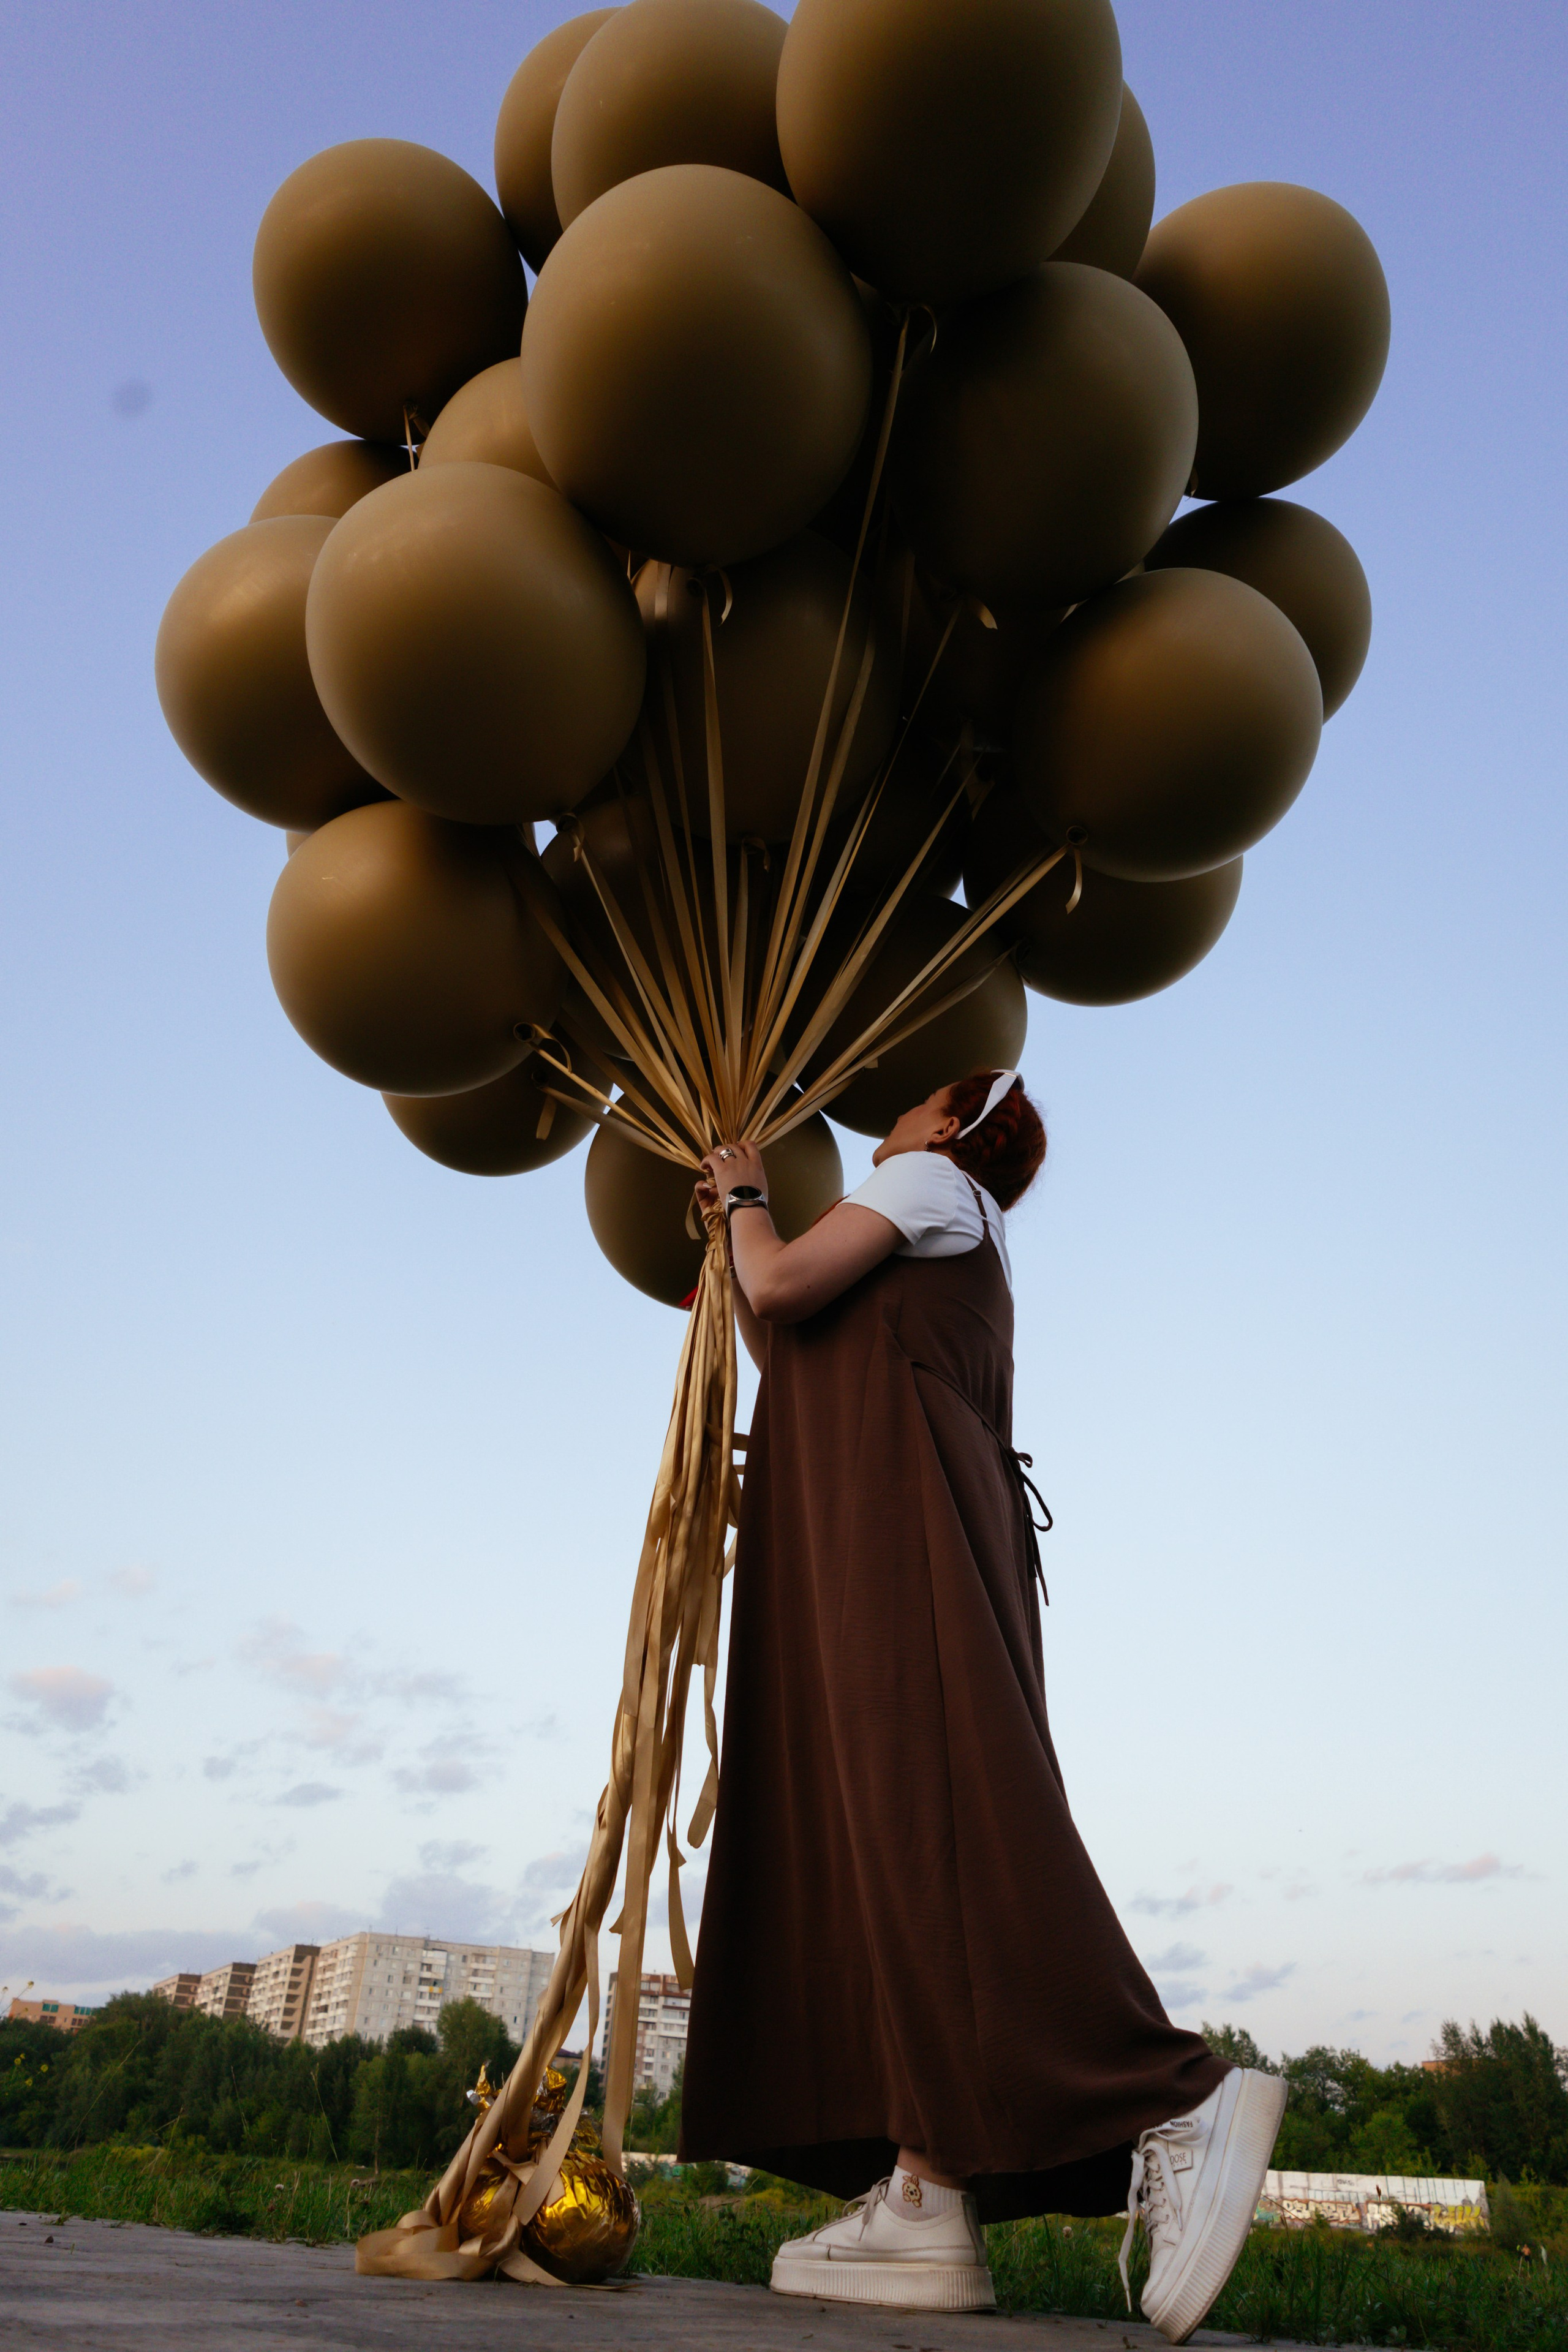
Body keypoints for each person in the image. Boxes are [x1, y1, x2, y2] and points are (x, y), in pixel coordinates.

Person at [678, 1069, 1285, 2339]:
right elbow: (794, 1333)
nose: (886, 1116)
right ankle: (925, 2188)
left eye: (911, 1102)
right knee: (894, 1831)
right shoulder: (943, 1221)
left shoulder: (923, 1182)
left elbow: (782, 1285)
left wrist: (747, 1196)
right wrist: (734, 1234)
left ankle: (1166, 2098)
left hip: (892, 1516)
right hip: (892, 1508)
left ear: (951, 1126)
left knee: (937, 1812)